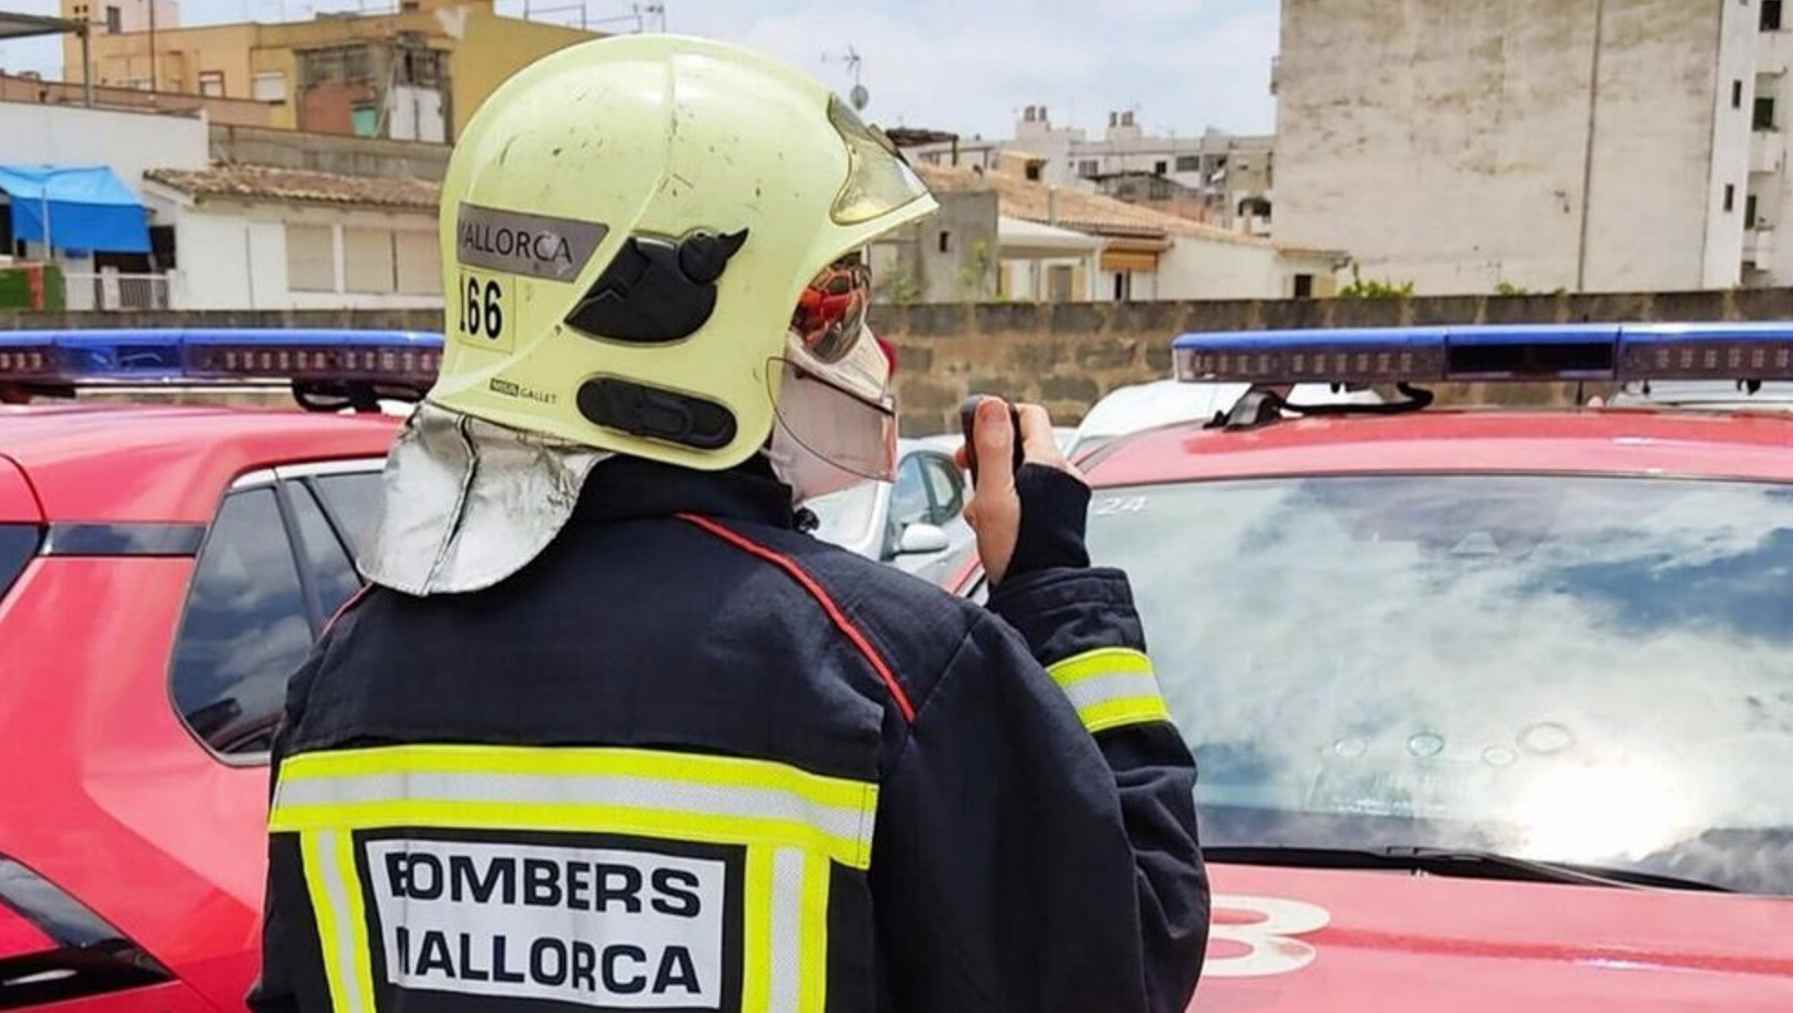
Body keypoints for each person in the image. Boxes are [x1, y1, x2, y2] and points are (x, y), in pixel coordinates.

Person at [250, 34, 1207, 1013]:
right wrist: (1055, 590)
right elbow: (1128, 958)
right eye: (823, 303)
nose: (847, 344)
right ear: (675, 312)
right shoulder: (890, 671)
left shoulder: (344, 678)